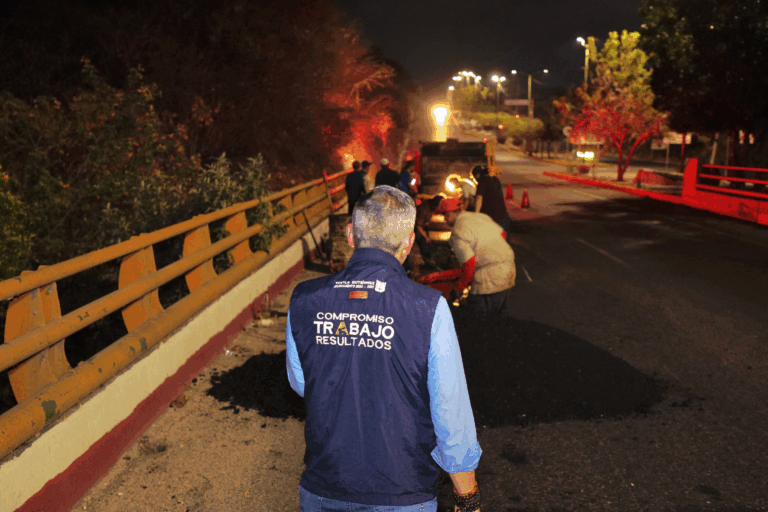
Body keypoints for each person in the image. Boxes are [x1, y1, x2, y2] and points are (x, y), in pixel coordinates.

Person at [286, 186, 482, 512]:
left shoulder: (304, 298)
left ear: (351, 234)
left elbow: (303, 383)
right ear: (409, 242)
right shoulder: (428, 307)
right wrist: (466, 493)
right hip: (402, 492)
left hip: (324, 486)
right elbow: (449, 408)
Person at [434, 197, 516, 314]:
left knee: (479, 318)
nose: (444, 219)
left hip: (489, 278)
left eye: (444, 215)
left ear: (450, 213)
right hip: (509, 268)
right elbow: (502, 234)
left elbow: (469, 264)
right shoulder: (480, 217)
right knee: (500, 317)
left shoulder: (457, 232)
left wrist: (458, 288)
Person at [472, 165, 512, 236]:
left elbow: (479, 198)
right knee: (504, 242)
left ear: (477, 174)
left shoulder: (482, 181)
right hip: (504, 218)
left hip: (492, 219)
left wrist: (476, 215)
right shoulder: (495, 179)